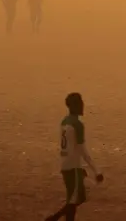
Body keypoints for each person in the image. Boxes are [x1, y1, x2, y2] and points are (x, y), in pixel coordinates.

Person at [45, 93, 103, 221]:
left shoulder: (64, 122)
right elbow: (83, 151)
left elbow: (69, 147)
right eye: (80, 103)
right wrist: (97, 171)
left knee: (73, 199)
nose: (83, 105)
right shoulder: (77, 125)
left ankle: (56, 218)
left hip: (65, 165)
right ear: (75, 106)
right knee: (76, 200)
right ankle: (54, 218)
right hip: (73, 167)